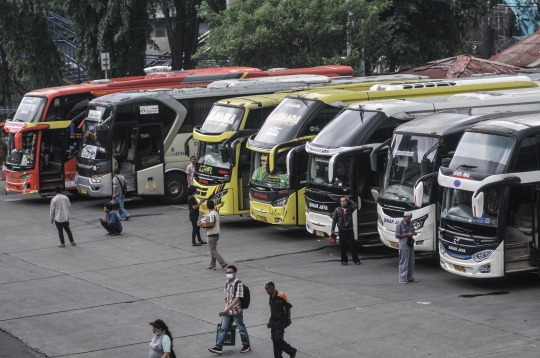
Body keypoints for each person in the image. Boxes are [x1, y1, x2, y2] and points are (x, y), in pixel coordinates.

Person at [208, 265, 251, 354]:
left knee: (241, 328)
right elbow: (227, 297)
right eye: (227, 273)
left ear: (235, 273)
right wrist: (225, 310)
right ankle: (218, 347)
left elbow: (237, 298)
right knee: (223, 328)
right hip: (228, 311)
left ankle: (246, 345)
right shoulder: (227, 283)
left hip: (236, 311)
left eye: (230, 272)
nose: (228, 274)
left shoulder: (239, 284)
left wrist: (227, 309)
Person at [264, 281, 297, 358]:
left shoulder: (281, 295)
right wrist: (269, 321)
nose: (266, 292)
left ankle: (292, 351)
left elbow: (288, 307)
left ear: (272, 289)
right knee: (274, 340)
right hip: (273, 321)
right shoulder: (270, 297)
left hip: (281, 321)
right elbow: (272, 311)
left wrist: (289, 318)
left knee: (278, 339)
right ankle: (278, 356)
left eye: (267, 289)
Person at [331, 196, 360, 266]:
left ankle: (356, 260)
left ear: (346, 201)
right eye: (341, 201)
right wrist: (333, 229)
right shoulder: (337, 210)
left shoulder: (350, 208)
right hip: (342, 230)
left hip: (349, 230)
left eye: (344, 201)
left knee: (352, 246)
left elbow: (356, 205)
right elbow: (334, 220)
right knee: (343, 246)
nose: (343, 203)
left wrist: (349, 200)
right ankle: (344, 260)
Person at [204, 200, 228, 270]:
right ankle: (212, 265)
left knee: (213, 250)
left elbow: (210, 224)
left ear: (207, 207)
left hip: (211, 234)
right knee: (212, 249)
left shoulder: (211, 215)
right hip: (216, 234)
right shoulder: (215, 213)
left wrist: (204, 223)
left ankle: (223, 264)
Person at [395, 211, 418, 284]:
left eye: (410, 218)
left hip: (410, 245)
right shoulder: (399, 225)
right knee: (403, 263)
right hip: (404, 245)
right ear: (404, 217)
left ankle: (410, 277)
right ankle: (402, 278)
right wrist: (407, 234)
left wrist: (413, 233)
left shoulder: (411, 223)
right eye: (408, 218)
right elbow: (397, 235)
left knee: (411, 263)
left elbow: (412, 231)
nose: (409, 219)